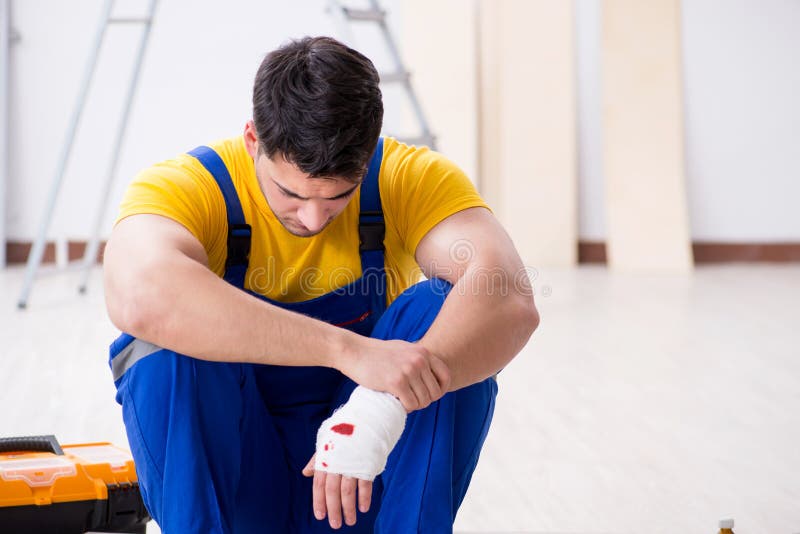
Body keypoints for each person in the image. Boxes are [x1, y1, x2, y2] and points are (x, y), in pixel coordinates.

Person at [104, 36, 539, 533]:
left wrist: (378, 408)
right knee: (160, 340)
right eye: (290, 193)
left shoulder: (406, 177)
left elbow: (506, 292)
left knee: (443, 308)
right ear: (253, 140)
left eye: (338, 196)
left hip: (363, 471)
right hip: (240, 484)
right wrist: (345, 350)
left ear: (368, 153)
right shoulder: (188, 185)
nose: (313, 218)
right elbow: (139, 294)